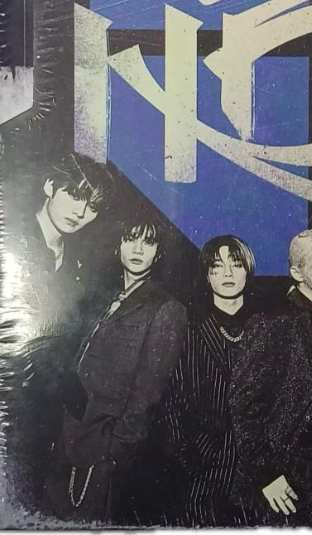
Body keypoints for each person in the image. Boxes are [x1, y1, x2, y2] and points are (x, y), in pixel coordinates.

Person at [44, 207, 187, 524]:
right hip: (69, 435)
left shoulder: (166, 308)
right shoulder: (105, 296)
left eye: (148, 242)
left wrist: (114, 452)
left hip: (103, 449)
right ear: (118, 245)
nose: (138, 249)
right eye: (130, 239)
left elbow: (147, 395)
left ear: (158, 252)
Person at [0, 153, 113, 516]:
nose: (81, 212)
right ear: (50, 186)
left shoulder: (79, 260)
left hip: (47, 417)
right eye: (75, 195)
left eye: (93, 206)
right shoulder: (5, 241)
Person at [227, 229, 312, 526]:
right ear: (297, 273)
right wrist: (267, 475)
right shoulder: (274, 321)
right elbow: (243, 405)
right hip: (282, 483)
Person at [167, 235, 257, 525]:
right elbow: (172, 401)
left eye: (236, 264)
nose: (228, 273)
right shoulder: (190, 330)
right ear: (207, 275)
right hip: (203, 476)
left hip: (257, 476)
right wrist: (190, 458)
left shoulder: (267, 329)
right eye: (217, 266)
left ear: (248, 270)